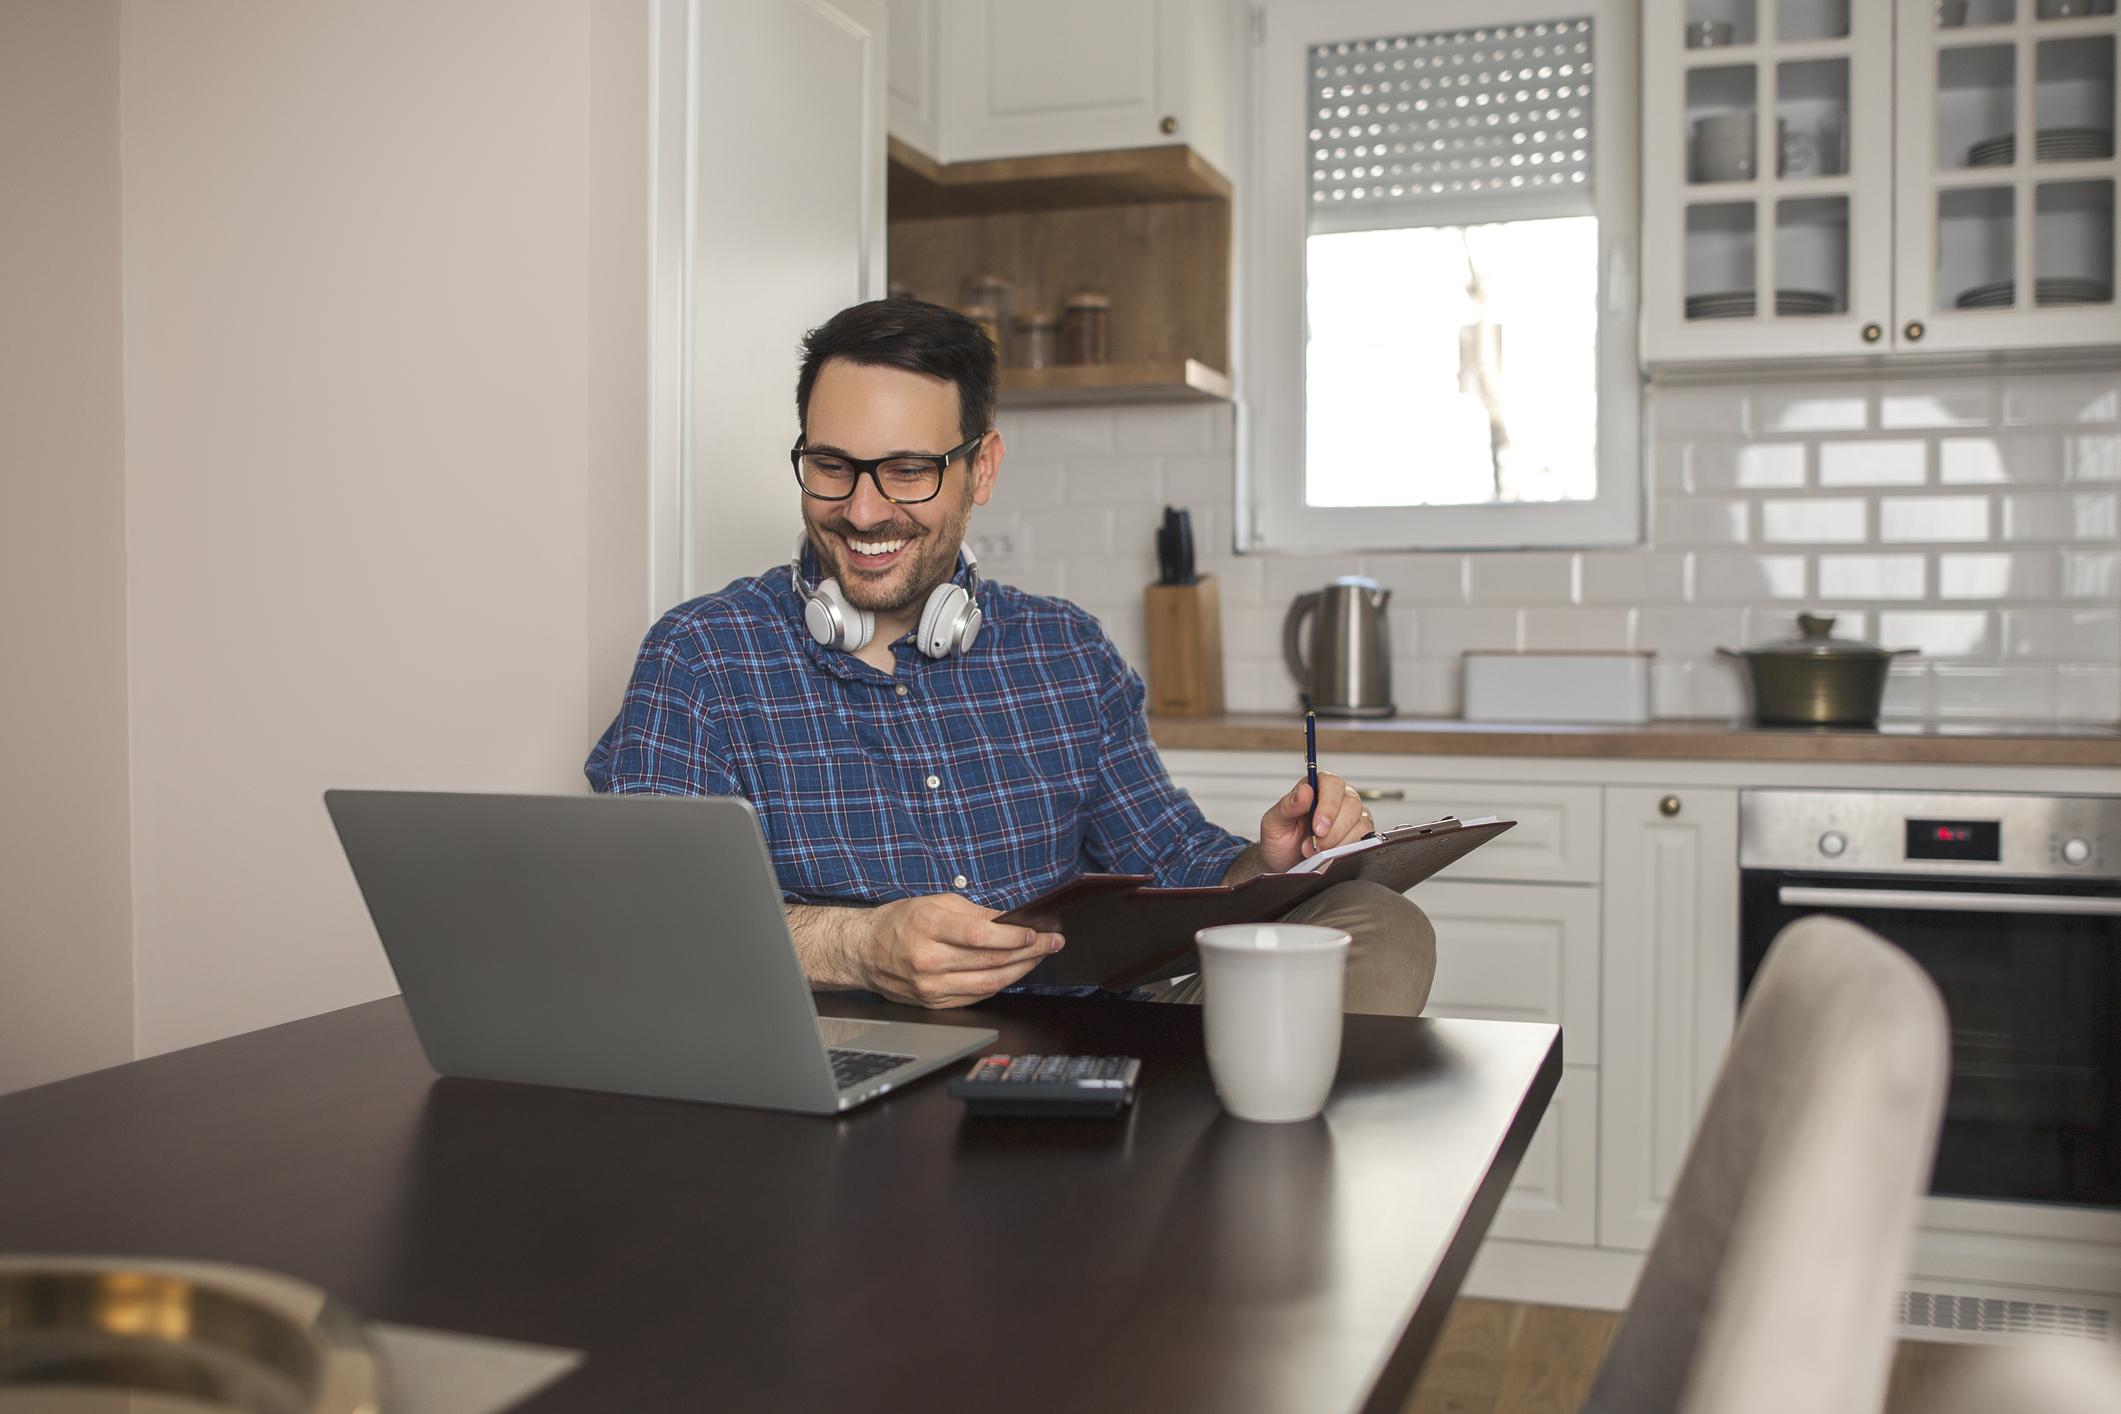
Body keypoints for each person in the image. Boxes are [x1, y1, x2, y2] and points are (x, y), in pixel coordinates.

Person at [587, 299, 1435, 1014]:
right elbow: (649, 920)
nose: (864, 510)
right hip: (853, 1065)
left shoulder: (1064, 649)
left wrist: (1268, 863)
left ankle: (1153, 1156)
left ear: (980, 468)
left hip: (1080, 1042)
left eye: (909, 471)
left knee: (1376, 921)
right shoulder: (701, 656)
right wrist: (859, 943)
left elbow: (1177, 862)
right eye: (831, 467)